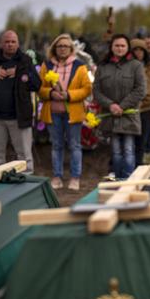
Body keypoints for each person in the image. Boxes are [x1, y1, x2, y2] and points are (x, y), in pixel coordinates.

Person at [0, 30, 40, 171]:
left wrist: (19, 73)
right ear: (1, 43)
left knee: (24, 155)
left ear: (18, 44)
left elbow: (36, 84)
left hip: (19, 117)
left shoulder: (25, 61)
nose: (10, 44)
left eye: (13, 42)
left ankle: (26, 186)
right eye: (7, 41)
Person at [39, 34, 93, 190]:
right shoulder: (47, 66)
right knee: (56, 145)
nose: (62, 49)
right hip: (53, 113)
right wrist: (50, 93)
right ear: (54, 48)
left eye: (65, 46)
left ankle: (75, 178)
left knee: (75, 145)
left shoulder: (79, 66)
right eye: (59, 46)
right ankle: (57, 177)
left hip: (73, 113)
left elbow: (87, 88)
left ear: (71, 49)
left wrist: (69, 95)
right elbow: (40, 88)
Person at [93, 34, 146, 179]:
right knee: (115, 151)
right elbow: (96, 91)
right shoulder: (103, 67)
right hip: (111, 116)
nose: (120, 48)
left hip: (128, 116)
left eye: (123, 45)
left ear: (128, 47)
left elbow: (140, 90)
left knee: (129, 150)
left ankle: (128, 180)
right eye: (117, 45)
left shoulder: (136, 66)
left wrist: (122, 106)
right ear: (111, 47)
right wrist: (110, 105)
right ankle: (117, 179)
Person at [130, 38, 150, 166]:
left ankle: (138, 164)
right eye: (135, 50)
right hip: (131, 108)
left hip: (147, 108)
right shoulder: (127, 67)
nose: (138, 52)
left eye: (141, 50)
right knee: (130, 141)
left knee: (142, 141)